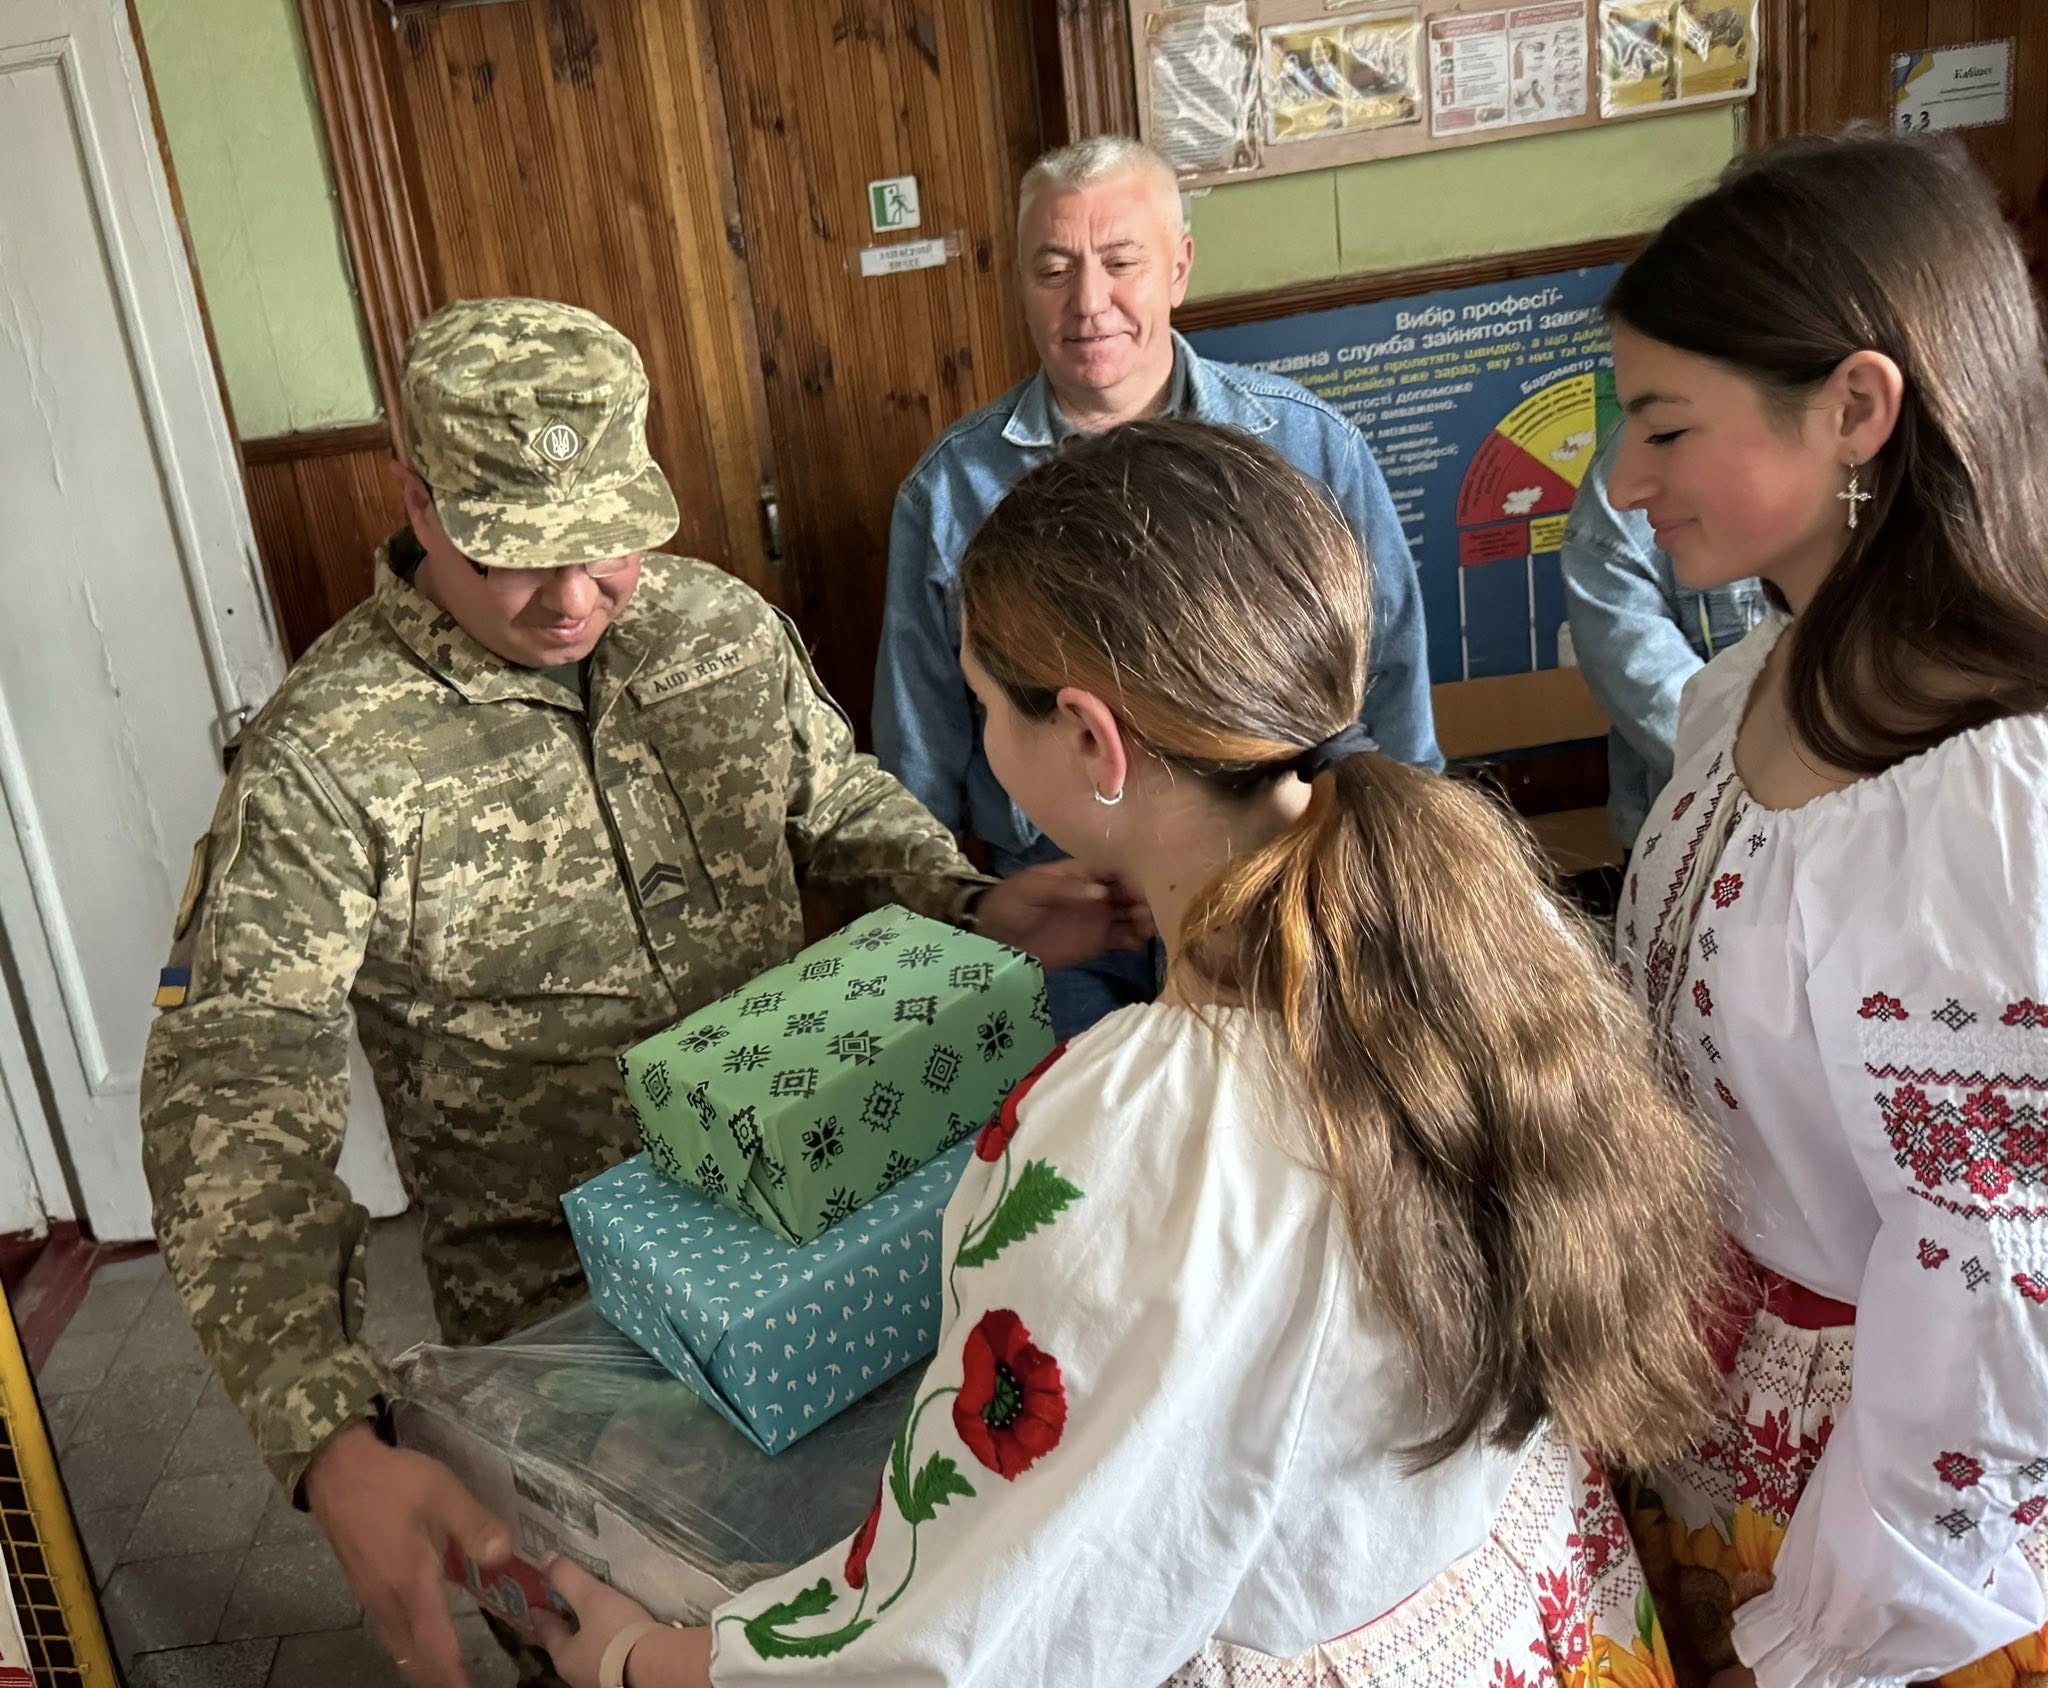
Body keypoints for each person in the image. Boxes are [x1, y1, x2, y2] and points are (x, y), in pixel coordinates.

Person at [533, 419, 1729, 1688]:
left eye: (985, 706)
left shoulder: (1134, 1132)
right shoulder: (1483, 918)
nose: (982, 738)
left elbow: (961, 1633)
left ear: (1091, 741)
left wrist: (640, 1656)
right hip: (1531, 1614)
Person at [138, 297, 1138, 1688]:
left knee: (858, 1614)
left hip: (812, 1229)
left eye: (605, 544)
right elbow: (235, 1087)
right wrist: (325, 1431)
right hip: (561, 1332)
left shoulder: (714, 629)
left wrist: (968, 897)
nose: (570, 598)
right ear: (418, 500)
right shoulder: (323, 757)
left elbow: (832, 801)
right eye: (513, 555)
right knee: (612, 1652)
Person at [1607, 134, 2048, 1687]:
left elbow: (1996, 1270)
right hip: (1724, 1405)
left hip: (1880, 1510)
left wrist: (1848, 1620)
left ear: (1857, 408)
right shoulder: (1746, 687)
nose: (1626, 481)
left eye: (1665, 425)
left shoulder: (1984, 805)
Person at [873, 135, 1439, 1039]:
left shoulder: (1309, 447)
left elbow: (1393, 684)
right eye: (1053, 270)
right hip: (1061, 906)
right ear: (1019, 284)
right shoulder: (949, 491)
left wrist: (1397, 875)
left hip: (1277, 885)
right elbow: (918, 753)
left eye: (1121, 262)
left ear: (1178, 268)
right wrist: (962, 916)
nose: (1088, 302)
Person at [1562, 429, 1765, 849]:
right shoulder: (1626, 466)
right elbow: (1636, 667)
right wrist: (1759, 775)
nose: (1625, 489)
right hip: (1686, 824)